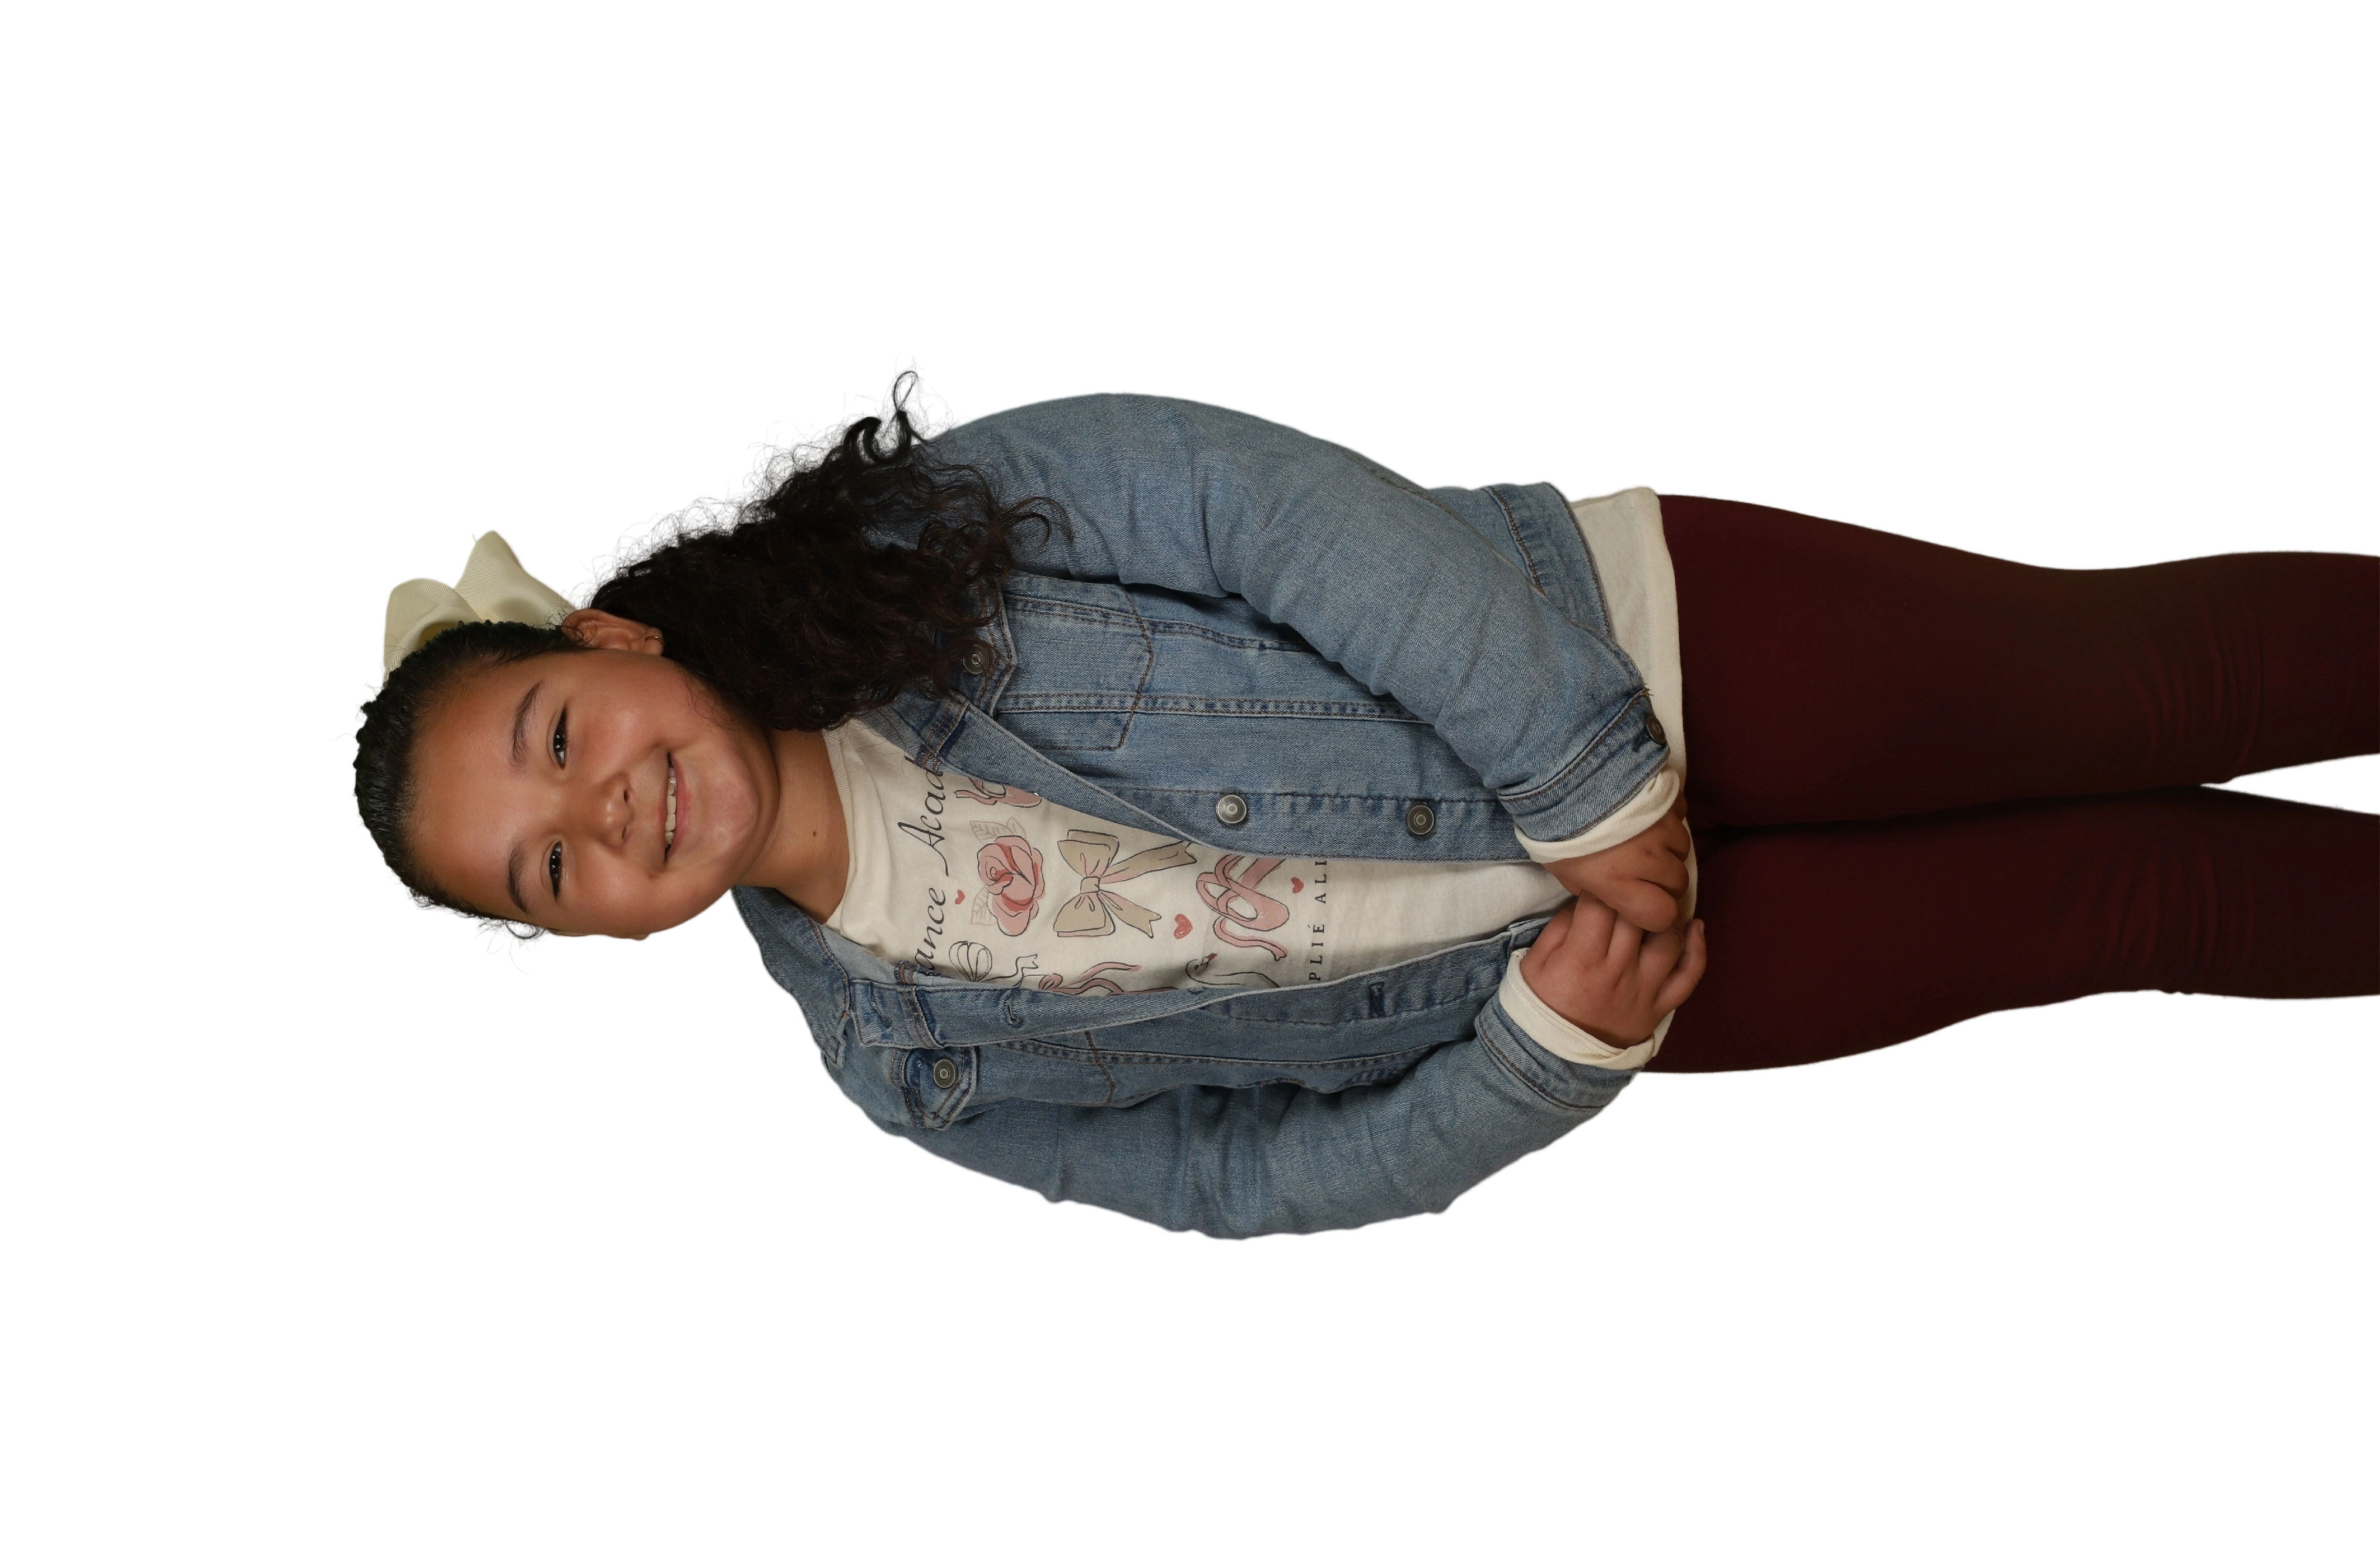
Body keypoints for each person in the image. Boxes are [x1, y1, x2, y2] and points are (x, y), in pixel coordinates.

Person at [339, 353, 2379, 1242]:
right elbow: (1244, 1183)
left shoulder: (925, 536)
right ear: (594, 933)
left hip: (1646, 651)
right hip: (1637, 981)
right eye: (551, 871)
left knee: (2145, 684)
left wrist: (1585, 775)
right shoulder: (908, 1074)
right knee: (2130, 917)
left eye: (556, 742)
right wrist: (1544, 1058)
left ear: (608, 641)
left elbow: (1266, 508)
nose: (609, 818)